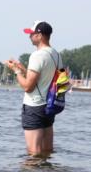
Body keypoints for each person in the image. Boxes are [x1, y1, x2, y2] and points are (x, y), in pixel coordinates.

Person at [6, 20, 62, 157]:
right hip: (49, 107)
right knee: (46, 151)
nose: (29, 36)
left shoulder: (37, 55)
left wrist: (16, 71)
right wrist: (24, 69)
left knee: (34, 153)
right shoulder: (56, 55)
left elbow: (28, 87)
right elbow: (44, 79)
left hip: (34, 106)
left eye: (32, 34)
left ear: (40, 35)